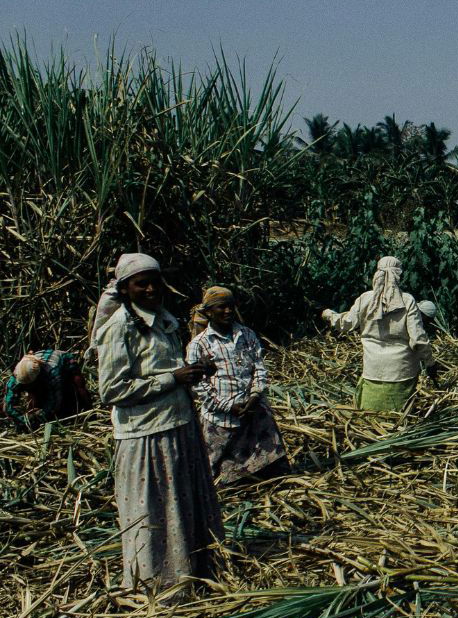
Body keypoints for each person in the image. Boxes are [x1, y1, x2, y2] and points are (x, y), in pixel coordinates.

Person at [95, 252, 224, 591]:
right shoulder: (118, 328)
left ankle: (194, 572)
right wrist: (172, 378)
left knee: (181, 505)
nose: (151, 289)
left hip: (178, 426)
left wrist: (193, 373)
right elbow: (111, 390)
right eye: (142, 284)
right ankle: (156, 583)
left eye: (155, 282)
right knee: (154, 512)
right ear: (125, 290)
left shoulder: (164, 320)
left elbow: (165, 370)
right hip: (145, 435)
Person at [186, 286, 290, 486]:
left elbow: (259, 368)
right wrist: (226, 406)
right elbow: (199, 386)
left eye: (231, 306)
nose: (228, 311)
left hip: (253, 410)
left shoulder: (247, 335)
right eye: (221, 307)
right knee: (217, 473)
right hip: (221, 417)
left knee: (271, 468)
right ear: (208, 312)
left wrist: (254, 396)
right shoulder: (199, 344)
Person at [321, 256, 431, 412]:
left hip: (373, 368)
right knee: (398, 417)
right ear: (399, 275)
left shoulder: (365, 299)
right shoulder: (407, 301)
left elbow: (345, 324)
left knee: (370, 415)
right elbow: (418, 338)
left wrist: (328, 314)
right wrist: (430, 362)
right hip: (402, 370)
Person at [3, 350, 92, 430]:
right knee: (34, 398)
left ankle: (90, 412)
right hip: (40, 376)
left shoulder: (52, 372)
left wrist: (40, 417)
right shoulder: (16, 377)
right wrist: (22, 420)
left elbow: (54, 403)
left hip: (64, 361)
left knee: (79, 385)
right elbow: (8, 407)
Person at [416, 300, 442, 383]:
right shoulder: (415, 324)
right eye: (428, 320)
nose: (428, 323)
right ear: (422, 314)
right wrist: (430, 364)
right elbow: (421, 342)